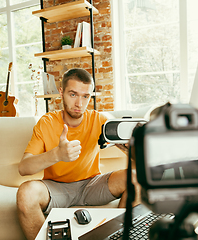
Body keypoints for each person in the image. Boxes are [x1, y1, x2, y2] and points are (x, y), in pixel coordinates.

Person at [16, 68, 139, 239]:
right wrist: (57, 154)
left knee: (136, 179)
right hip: (56, 188)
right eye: (73, 94)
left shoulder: (100, 120)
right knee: (25, 193)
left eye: (85, 96)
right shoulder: (47, 122)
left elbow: (136, 160)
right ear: (61, 92)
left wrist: (131, 150)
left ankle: (118, 237)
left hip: (91, 185)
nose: (79, 103)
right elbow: (24, 168)